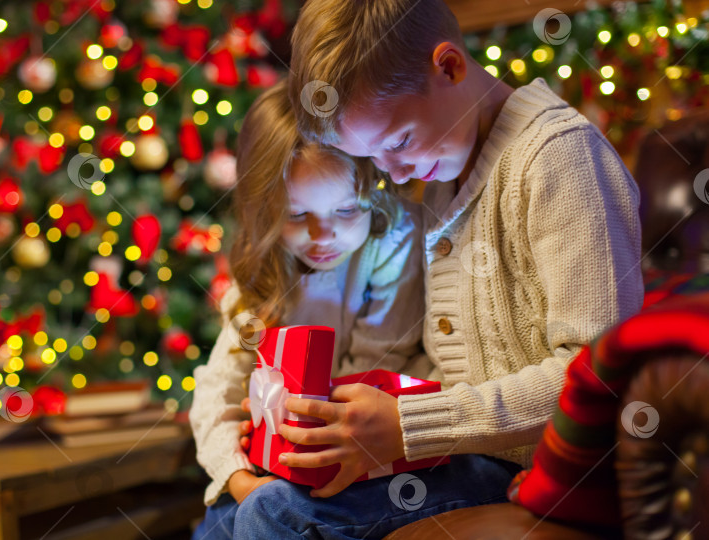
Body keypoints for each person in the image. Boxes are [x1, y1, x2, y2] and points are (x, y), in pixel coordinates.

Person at [229, 0, 645, 538]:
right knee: (255, 494)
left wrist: (407, 425)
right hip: (463, 449)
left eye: (397, 141)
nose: (394, 171)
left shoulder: (559, 158)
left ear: (448, 67)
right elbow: (450, 360)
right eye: (373, 158)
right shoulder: (445, 168)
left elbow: (598, 376)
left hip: (542, 467)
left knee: (275, 514)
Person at [188, 79, 431, 539]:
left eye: (346, 211)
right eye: (297, 216)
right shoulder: (261, 277)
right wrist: (238, 478)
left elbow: (379, 361)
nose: (324, 235)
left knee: (274, 515)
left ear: (372, 194)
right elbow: (218, 387)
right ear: (264, 212)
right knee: (222, 524)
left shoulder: (392, 243)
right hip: (274, 463)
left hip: (361, 450)